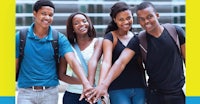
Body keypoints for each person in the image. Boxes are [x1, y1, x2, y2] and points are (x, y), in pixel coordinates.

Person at [16, 0, 92, 104]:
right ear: (35, 13)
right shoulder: (20, 37)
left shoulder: (59, 38)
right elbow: (13, 65)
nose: (47, 17)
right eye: (43, 14)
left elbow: (73, 61)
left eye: (50, 15)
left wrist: (85, 83)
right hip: (25, 93)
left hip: (50, 93)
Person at [85, 2, 147, 104]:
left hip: (139, 86)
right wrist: (101, 86)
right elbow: (106, 63)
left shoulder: (137, 37)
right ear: (115, 20)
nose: (126, 22)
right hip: (118, 88)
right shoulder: (110, 37)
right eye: (121, 19)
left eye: (128, 18)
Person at [135, 1, 185, 104]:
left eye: (149, 17)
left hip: (177, 95)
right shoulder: (139, 40)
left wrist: (196, 95)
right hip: (154, 96)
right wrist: (103, 85)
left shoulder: (175, 32)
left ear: (157, 15)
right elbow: (121, 63)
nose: (146, 21)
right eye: (142, 19)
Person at [59, 12, 103, 104]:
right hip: (72, 95)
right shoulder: (68, 47)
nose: (82, 24)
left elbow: (93, 61)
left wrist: (89, 86)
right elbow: (61, 75)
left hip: (94, 94)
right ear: (72, 28)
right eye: (76, 23)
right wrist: (83, 82)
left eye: (84, 21)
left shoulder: (98, 42)